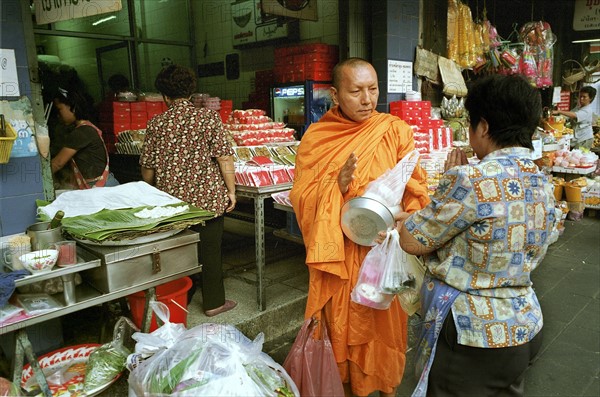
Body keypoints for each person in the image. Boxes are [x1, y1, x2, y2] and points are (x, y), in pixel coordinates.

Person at [390, 74, 556, 396]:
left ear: (482, 126)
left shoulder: (470, 180)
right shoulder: (542, 181)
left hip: (474, 335)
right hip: (524, 327)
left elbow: (413, 240)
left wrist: (451, 186)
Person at [289, 58, 430, 397]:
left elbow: (417, 189)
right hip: (341, 258)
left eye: (373, 89)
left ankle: (378, 384)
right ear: (336, 95)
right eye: (356, 91)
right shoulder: (318, 136)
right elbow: (302, 198)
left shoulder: (395, 130)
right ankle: (343, 384)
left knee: (382, 326)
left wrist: (402, 220)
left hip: (382, 256)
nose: (367, 99)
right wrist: (334, 186)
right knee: (339, 323)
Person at [139, 65, 237, 317]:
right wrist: (231, 191)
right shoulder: (208, 118)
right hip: (208, 199)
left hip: (172, 203)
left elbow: (148, 169)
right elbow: (225, 158)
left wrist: (151, 190)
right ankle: (214, 302)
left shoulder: (157, 123)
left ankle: (180, 298)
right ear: (191, 91)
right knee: (211, 251)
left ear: (164, 96)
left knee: (177, 251)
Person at [50, 88, 119, 189]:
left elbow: (58, 163)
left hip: (102, 187)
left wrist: (36, 179)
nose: (58, 115)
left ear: (73, 108)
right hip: (102, 185)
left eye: (59, 109)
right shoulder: (86, 127)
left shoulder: (82, 132)